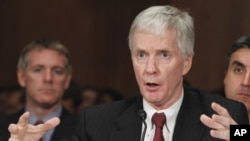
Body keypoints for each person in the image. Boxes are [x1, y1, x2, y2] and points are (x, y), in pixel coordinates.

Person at [7, 5, 249, 141]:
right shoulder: (95, 123)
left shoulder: (224, 114)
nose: (149, 69)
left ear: (186, 63)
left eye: (164, 55)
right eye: (141, 55)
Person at [0, 38, 77, 141]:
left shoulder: (83, 130)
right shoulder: (2, 128)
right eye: (38, 70)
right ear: (22, 77)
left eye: (57, 71)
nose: (48, 78)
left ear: (67, 80)